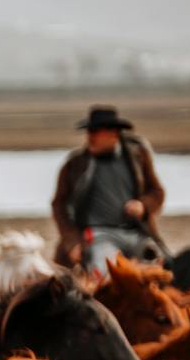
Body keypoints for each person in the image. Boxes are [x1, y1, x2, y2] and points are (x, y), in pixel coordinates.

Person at [51, 105, 164, 272]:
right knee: (105, 271)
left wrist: (143, 205)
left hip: (137, 233)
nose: (90, 137)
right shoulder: (74, 164)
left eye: (95, 131)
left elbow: (157, 192)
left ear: (113, 134)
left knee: (165, 267)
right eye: (89, 132)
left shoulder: (137, 157)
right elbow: (59, 205)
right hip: (98, 235)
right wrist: (72, 242)